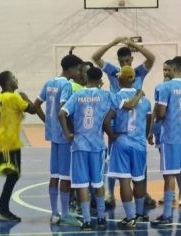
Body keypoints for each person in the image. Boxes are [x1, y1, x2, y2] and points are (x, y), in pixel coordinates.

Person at [92, 37, 156, 208]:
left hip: (136, 123)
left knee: (140, 160)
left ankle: (143, 191)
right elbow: (95, 57)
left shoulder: (138, 72)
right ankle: (110, 194)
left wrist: (134, 45)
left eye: (127, 60)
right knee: (112, 159)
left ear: (132, 59)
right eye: (121, 61)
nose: (124, 63)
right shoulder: (114, 72)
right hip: (118, 121)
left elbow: (152, 59)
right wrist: (113, 42)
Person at [58, 67, 113, 231]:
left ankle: (87, 221)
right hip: (97, 145)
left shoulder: (77, 95)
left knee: (81, 184)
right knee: (98, 183)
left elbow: (62, 113)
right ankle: (102, 218)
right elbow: (122, 107)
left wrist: (68, 133)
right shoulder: (105, 96)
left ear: (86, 77)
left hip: (79, 144)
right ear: (100, 80)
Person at [33, 54, 83, 226]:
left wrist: (48, 122)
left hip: (53, 136)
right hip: (64, 137)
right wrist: (69, 131)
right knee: (66, 177)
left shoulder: (49, 83)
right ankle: (65, 214)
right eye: (78, 68)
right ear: (71, 69)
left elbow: (35, 106)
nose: (78, 72)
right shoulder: (67, 85)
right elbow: (64, 110)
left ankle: (54, 214)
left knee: (54, 176)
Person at [151, 56, 181, 226]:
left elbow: (161, 113)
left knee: (170, 175)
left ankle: (167, 215)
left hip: (170, 137)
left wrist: (161, 118)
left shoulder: (164, 88)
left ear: (172, 69)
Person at [106, 66, 152, 228]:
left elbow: (106, 121)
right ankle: (140, 213)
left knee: (124, 180)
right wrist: (145, 136)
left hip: (122, 141)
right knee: (139, 180)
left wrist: (112, 135)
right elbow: (149, 120)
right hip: (139, 143)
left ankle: (130, 216)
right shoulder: (146, 101)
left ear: (121, 79)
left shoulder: (114, 97)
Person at [0, 71, 36, 222]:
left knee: (14, 176)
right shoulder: (13, 97)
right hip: (6, 142)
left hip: (9, 141)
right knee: (12, 175)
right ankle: (1, 209)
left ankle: (1, 208)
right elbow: (32, 109)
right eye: (13, 77)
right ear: (7, 82)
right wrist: (27, 98)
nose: (16, 79)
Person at [149, 60, 181, 207]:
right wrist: (151, 130)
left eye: (167, 70)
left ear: (173, 70)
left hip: (177, 132)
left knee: (179, 166)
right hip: (162, 131)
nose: (165, 73)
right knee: (167, 167)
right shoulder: (160, 88)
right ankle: (169, 195)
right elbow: (156, 109)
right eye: (163, 70)